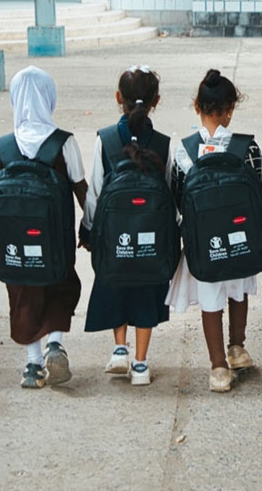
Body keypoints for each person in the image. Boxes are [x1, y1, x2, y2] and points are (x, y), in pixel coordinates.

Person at [0, 66, 87, 389]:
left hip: (15, 243)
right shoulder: (64, 142)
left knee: (22, 294)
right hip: (55, 241)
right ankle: (55, 343)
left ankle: (32, 366)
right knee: (60, 285)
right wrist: (93, 227)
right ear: (49, 97)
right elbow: (82, 190)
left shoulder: (3, 147)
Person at [166, 69, 262, 393]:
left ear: (197, 107)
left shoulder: (183, 152)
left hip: (203, 242)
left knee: (211, 299)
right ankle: (237, 347)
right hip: (241, 238)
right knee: (239, 288)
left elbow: (178, 197)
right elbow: (258, 192)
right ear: (230, 109)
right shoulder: (248, 149)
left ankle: (218, 366)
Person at [82, 66, 172, 386]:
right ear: (156, 101)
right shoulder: (163, 143)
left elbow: (94, 191)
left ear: (118, 98)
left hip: (113, 234)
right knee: (146, 292)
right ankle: (141, 365)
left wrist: (89, 230)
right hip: (151, 237)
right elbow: (170, 191)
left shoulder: (104, 139)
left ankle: (119, 349)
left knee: (116, 282)